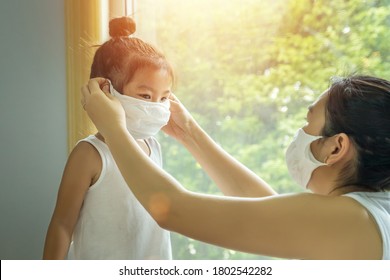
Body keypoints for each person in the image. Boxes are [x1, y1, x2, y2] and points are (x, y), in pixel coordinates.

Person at [81, 74, 390, 260]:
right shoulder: (370, 213)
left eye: (309, 122)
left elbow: (174, 210)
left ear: (336, 147)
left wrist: (113, 127)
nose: (301, 131)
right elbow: (268, 212)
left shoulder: (355, 220)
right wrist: (189, 133)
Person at [43, 17, 173, 259]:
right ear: (106, 91)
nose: (156, 107)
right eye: (145, 96)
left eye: (164, 98)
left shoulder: (153, 146)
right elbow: (62, 224)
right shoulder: (90, 155)